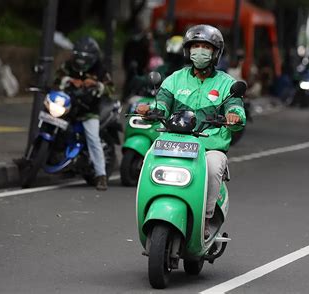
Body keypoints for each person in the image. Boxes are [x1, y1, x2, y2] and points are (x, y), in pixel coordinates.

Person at [136, 25, 246, 238]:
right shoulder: (174, 79)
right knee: (148, 159)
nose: (200, 51)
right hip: (173, 142)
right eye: (195, 46)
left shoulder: (226, 84)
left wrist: (234, 116)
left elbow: (235, 108)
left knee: (214, 167)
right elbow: (163, 104)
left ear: (215, 52)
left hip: (209, 146)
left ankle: (205, 218)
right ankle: (148, 209)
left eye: (206, 47)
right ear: (188, 50)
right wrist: (150, 110)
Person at [54, 36, 114, 191]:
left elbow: (110, 89)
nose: (81, 61)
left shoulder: (100, 69)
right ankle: (31, 159)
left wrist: (95, 84)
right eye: (79, 56)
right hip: (67, 105)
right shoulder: (68, 65)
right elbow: (57, 79)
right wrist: (69, 80)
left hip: (89, 110)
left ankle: (101, 176)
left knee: (93, 139)